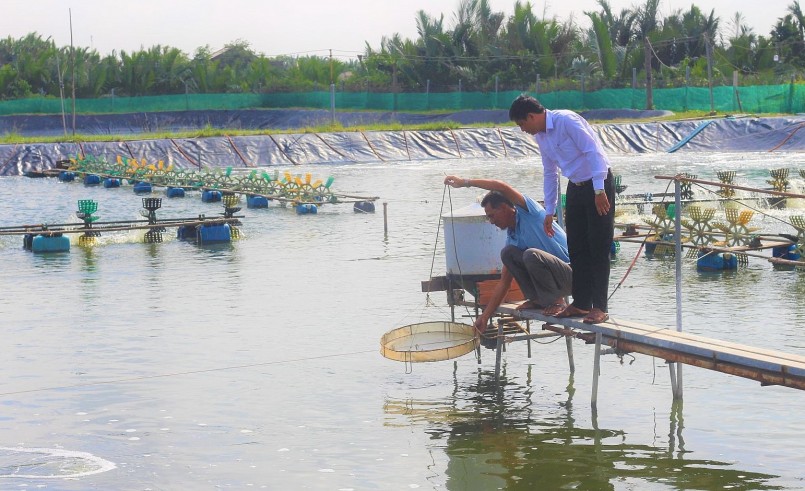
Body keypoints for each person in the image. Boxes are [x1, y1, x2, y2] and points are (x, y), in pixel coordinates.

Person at [508, 94, 614, 324]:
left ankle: (600, 307)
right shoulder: (541, 137)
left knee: (598, 245)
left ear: (531, 116)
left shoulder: (567, 121)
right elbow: (550, 172)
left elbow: (593, 152)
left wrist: (599, 191)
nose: (523, 129)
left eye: (522, 124)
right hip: (575, 186)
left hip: (598, 184)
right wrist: (549, 210)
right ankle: (582, 303)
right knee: (576, 247)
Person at [444, 175, 572, 334]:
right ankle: (538, 300)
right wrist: (484, 317)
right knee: (508, 253)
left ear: (504, 208)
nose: (491, 222)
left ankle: (557, 301)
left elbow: (501, 186)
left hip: (571, 273)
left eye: (492, 215)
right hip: (553, 279)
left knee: (531, 254)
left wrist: (465, 183)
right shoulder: (512, 239)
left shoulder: (529, 212)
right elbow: (503, 283)